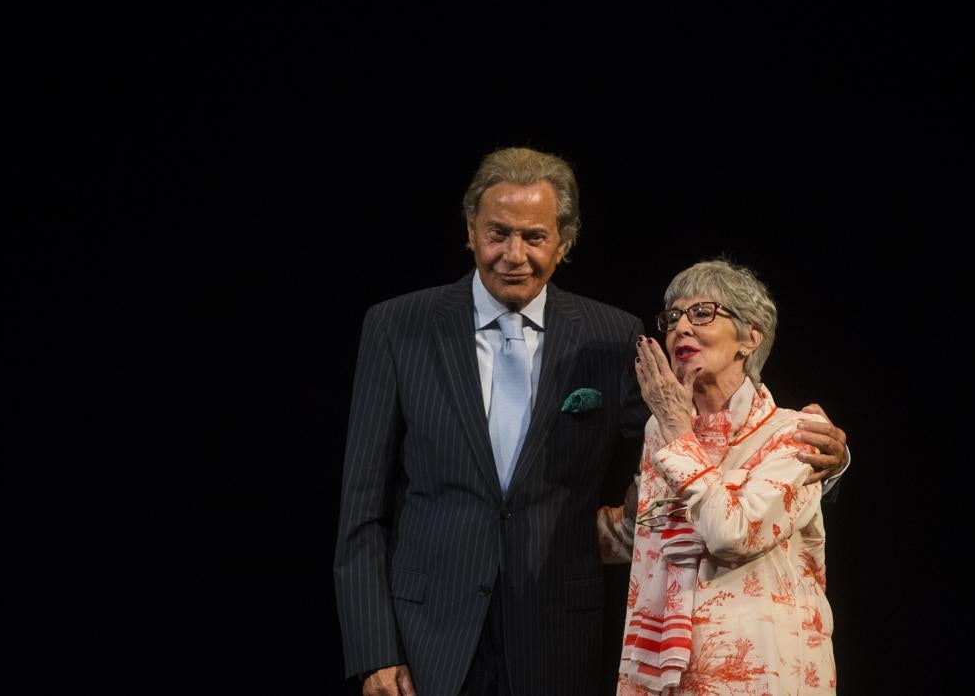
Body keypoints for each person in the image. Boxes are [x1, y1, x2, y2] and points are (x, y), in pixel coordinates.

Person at [334, 148, 849, 696]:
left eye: (533, 237)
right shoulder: (397, 327)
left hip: (557, 632)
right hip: (428, 631)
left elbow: (698, 442)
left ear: (564, 242)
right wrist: (374, 648)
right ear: (469, 231)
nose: (514, 254)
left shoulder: (609, 336)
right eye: (497, 233)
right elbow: (361, 510)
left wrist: (829, 463)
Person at [597, 259, 837, 695]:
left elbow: (732, 533)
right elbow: (648, 538)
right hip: (659, 676)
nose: (681, 327)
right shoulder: (662, 429)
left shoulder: (796, 434)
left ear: (750, 338)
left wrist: (675, 431)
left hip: (757, 671)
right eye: (673, 318)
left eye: (702, 313)